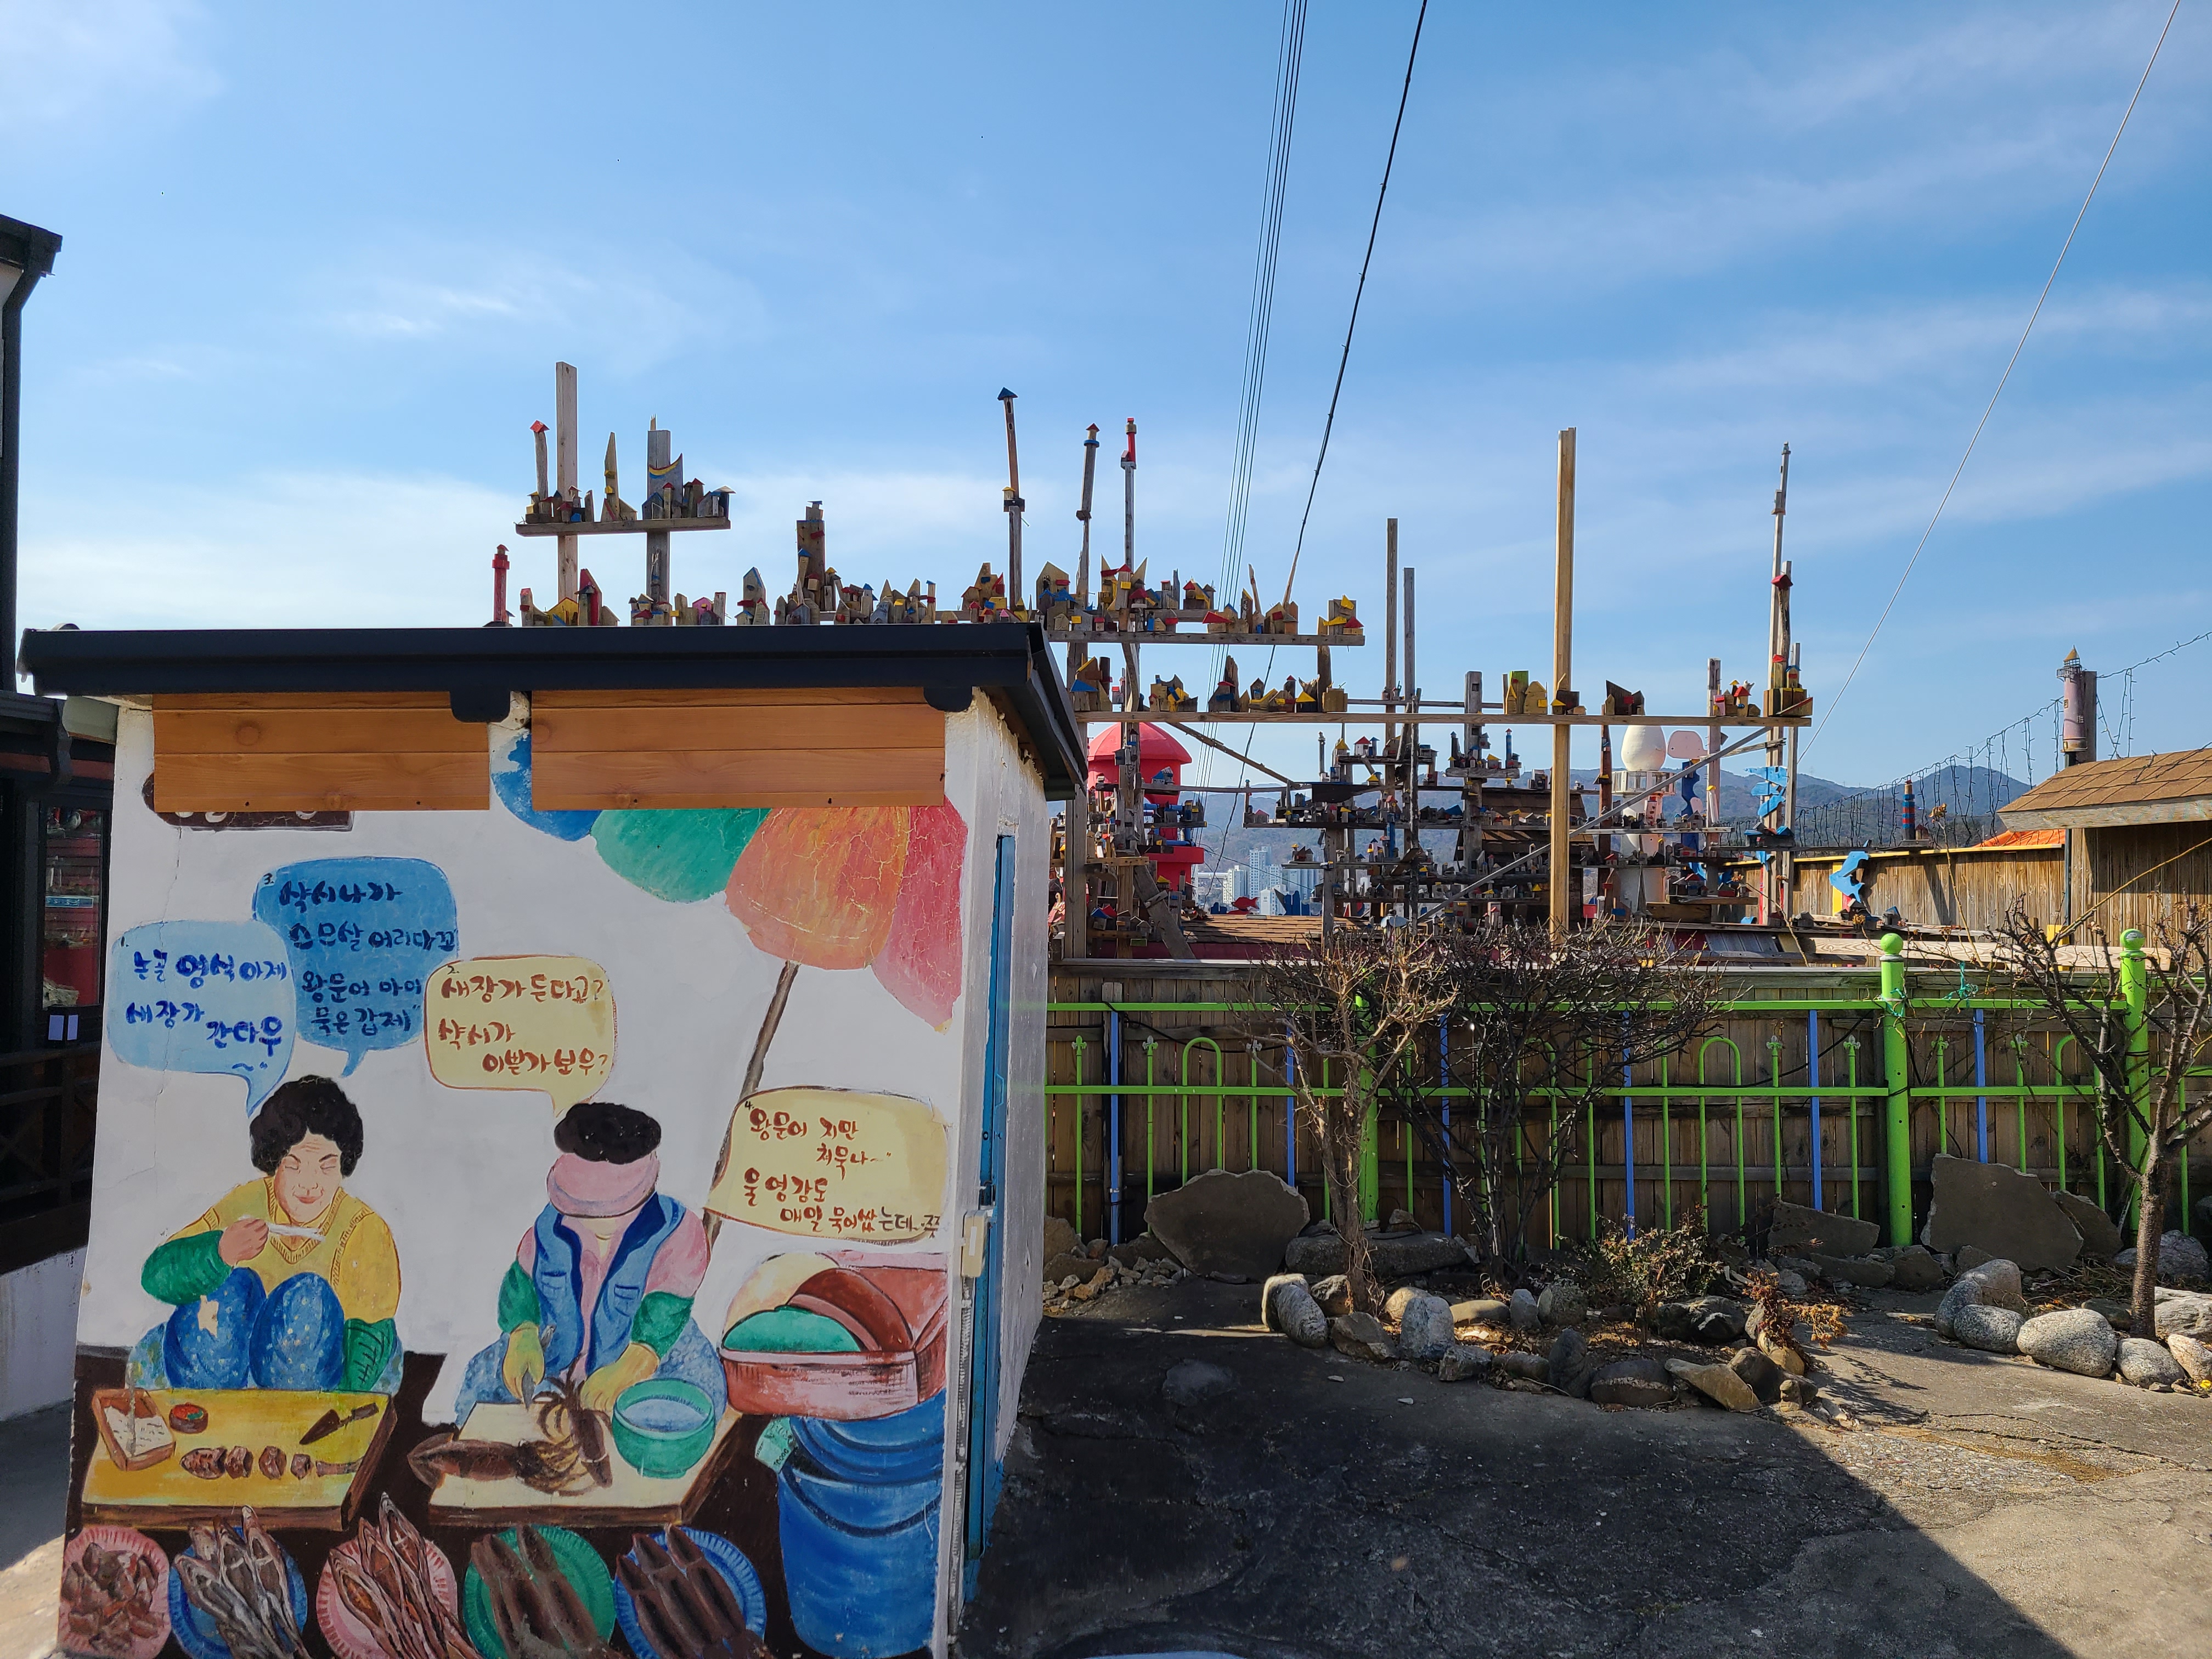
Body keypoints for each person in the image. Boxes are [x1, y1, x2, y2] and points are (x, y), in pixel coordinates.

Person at [453, 1099, 725, 1422]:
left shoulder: (677, 1233)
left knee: (701, 1398)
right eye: (582, 1212)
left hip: (650, 1353)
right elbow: (521, 1285)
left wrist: (634, 1363)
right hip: (554, 1354)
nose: (598, 1224)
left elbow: (665, 1313)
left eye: (616, 1211)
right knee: (481, 1385)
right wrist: (523, 1332)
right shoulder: (549, 1228)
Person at [132, 1075, 402, 1393]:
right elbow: (156, 1276)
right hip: (225, 1376)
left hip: (313, 1385)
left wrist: (343, 1402)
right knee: (230, 1286)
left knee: (309, 1298)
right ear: (274, 1161)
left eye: (326, 1166)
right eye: (295, 1165)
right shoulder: (246, 1205)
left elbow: (372, 1331)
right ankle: (209, 1407)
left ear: (344, 1165)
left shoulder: (364, 1230)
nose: (310, 1184)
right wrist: (220, 1253)